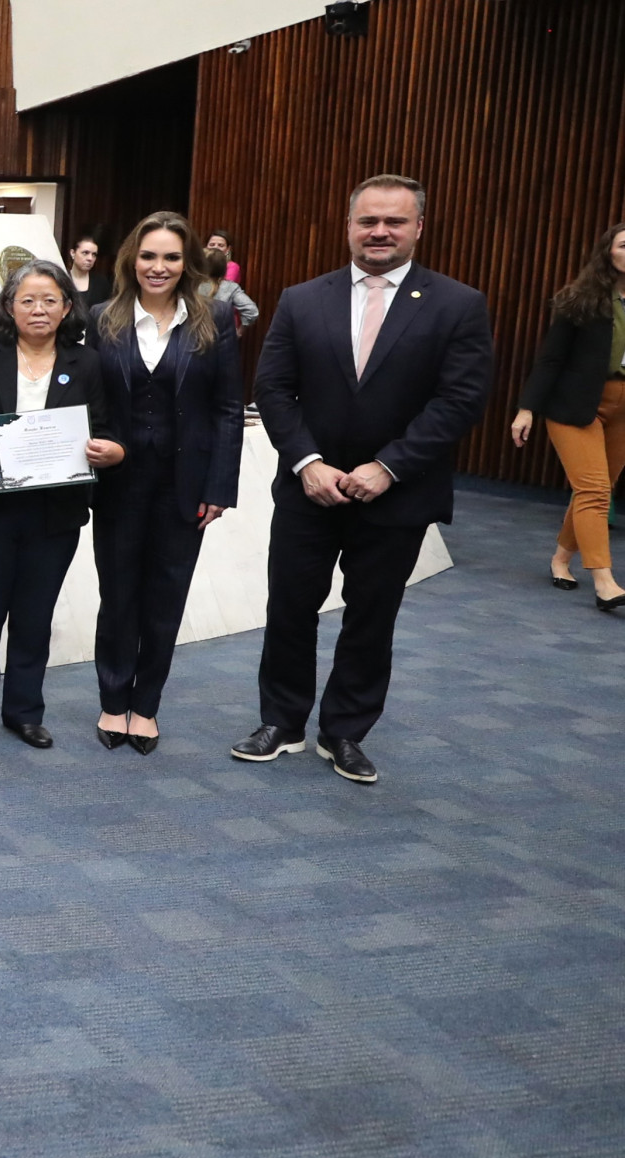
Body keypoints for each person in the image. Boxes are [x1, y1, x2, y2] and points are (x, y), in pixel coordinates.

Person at [234, 174, 493, 784]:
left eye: (394, 222)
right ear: (348, 226)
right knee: (290, 607)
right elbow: (273, 388)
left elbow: (461, 400)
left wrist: (389, 466)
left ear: (418, 228)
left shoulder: (459, 304)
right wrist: (308, 463)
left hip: (397, 495)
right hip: (309, 489)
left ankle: (345, 731)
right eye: (368, 221)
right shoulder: (302, 299)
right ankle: (282, 720)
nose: (380, 232)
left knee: (372, 616)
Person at [89, 212, 243, 754]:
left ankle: (146, 706)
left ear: (188, 263)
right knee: (118, 596)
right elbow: (90, 401)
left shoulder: (215, 319)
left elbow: (227, 408)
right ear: (132, 258)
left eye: (171, 257)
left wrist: (220, 488)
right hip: (117, 483)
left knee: (165, 598)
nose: (159, 267)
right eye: (149, 256)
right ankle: (112, 700)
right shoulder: (101, 317)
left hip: (186, 485)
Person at [0, 261, 123, 747]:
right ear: (9, 306)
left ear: (68, 306)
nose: (39, 309)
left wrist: (107, 449)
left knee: (34, 615)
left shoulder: (86, 363)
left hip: (56, 512)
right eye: (27, 300)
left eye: (50, 300)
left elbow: (105, 426)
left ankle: (24, 711)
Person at [510, 221, 625, 610]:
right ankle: (605, 581)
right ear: (608, 251)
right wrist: (527, 408)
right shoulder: (580, 298)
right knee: (595, 491)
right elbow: (551, 358)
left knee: (595, 488)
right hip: (575, 406)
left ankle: (561, 559)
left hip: (624, 408)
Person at [196, 248, 260, 330]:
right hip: (220, 337)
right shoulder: (230, 288)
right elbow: (252, 311)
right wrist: (239, 331)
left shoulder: (190, 285)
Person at [68, 234, 111, 310]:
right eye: (85, 253)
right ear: (73, 253)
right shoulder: (62, 279)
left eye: (94, 255)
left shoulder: (101, 283)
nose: (90, 258)